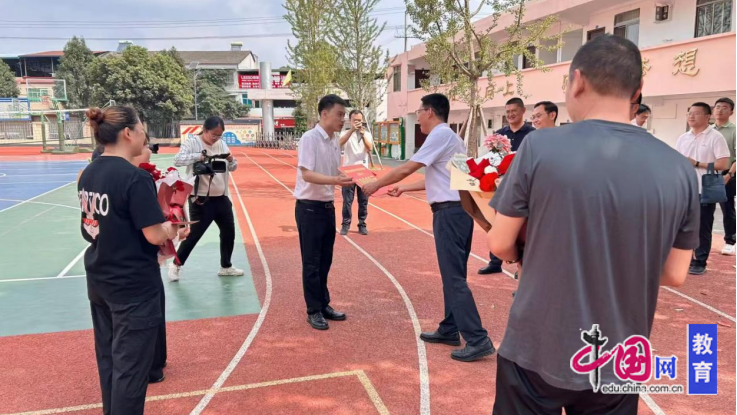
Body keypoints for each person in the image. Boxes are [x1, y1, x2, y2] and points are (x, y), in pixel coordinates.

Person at [487, 34, 698, 414]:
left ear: (578, 81)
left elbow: (500, 243)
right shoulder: (680, 169)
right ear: (638, 90)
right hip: (617, 356)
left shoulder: (539, 147)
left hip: (537, 346)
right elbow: (675, 273)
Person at [363, 93, 494, 362]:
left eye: (420, 112)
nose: (418, 118)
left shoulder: (439, 135)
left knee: (453, 278)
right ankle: (450, 328)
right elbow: (442, 177)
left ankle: (478, 339)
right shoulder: (453, 138)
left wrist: (376, 184)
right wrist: (404, 188)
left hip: (449, 214)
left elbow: (408, 167)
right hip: (459, 211)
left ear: (430, 111)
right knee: (453, 274)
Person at [78, 106, 179, 414]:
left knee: (110, 360)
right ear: (127, 133)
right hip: (132, 286)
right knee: (131, 371)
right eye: (141, 129)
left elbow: (89, 229)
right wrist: (173, 228)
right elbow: (154, 235)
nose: (144, 136)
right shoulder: (135, 178)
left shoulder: (88, 173)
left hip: (100, 280)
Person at [295, 94, 355, 330]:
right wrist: (335, 180)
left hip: (328, 207)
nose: (343, 120)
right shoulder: (309, 139)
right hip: (309, 208)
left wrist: (351, 176)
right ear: (324, 114)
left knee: (325, 260)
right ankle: (313, 310)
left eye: (344, 115)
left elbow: (334, 171)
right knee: (311, 262)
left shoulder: (334, 141)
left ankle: (323, 303)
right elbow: (307, 174)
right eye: (339, 115)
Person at [168, 116, 244, 281]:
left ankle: (226, 266)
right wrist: (199, 157)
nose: (216, 138)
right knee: (194, 235)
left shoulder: (222, 144)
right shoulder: (192, 142)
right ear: (205, 130)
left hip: (221, 198)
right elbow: (178, 160)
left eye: (219, 135)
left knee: (228, 233)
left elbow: (233, 167)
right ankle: (175, 264)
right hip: (200, 200)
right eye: (213, 134)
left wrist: (231, 159)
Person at [479, 97, 535, 275]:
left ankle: (522, 266)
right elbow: (491, 158)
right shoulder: (499, 134)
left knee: (522, 227)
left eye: (514, 111)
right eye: (508, 112)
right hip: (501, 186)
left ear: (523, 111)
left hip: (524, 187)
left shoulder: (532, 134)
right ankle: (495, 261)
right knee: (496, 222)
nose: (510, 115)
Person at [676, 102, 731, 275]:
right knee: (682, 226)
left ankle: (700, 261)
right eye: (689, 113)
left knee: (702, 227)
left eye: (696, 113)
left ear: (708, 117)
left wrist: (697, 163)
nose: (691, 116)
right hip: (684, 189)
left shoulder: (715, 137)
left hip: (704, 189)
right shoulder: (683, 137)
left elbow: (723, 164)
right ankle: (684, 259)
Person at [339, 109, 373, 236]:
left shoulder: (367, 134)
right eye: (355, 120)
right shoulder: (345, 133)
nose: (358, 123)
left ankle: (362, 224)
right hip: (348, 172)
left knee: (363, 201)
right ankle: (345, 224)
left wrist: (363, 135)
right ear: (350, 120)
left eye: (359, 120)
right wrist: (352, 130)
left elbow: (369, 148)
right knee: (347, 201)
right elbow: (340, 143)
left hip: (363, 172)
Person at [713, 97, 736, 255]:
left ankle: (730, 241)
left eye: (725, 107)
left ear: (731, 112)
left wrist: (729, 175)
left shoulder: (734, 130)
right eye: (718, 107)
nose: (720, 110)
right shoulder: (709, 130)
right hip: (708, 173)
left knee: (727, 208)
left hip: (727, 173)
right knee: (704, 208)